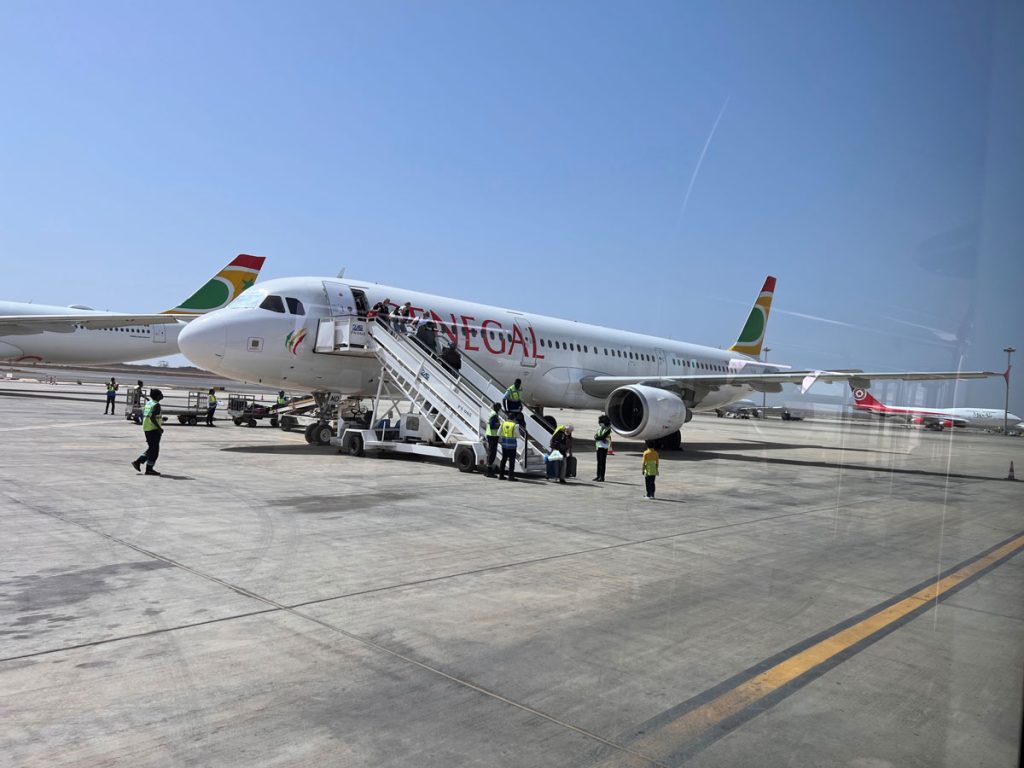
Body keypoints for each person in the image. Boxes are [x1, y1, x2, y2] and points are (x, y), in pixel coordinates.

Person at [131, 388, 165, 476]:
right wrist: (159, 428)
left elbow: (149, 415)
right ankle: (148, 468)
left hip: (147, 428)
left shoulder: (149, 403)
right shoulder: (156, 405)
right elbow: (152, 417)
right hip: (153, 430)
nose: (162, 395)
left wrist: (161, 419)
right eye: (161, 394)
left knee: (151, 448)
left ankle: (139, 462)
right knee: (154, 451)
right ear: (157, 396)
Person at [498, 416, 519, 481]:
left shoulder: (503, 424)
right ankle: (510, 476)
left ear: (507, 418)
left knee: (503, 460)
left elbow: (498, 433)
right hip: (512, 446)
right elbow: (517, 435)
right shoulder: (515, 425)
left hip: (504, 445)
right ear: (514, 418)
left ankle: (501, 475)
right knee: (511, 461)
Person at [484, 402, 501, 477]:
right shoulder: (494, 414)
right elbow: (492, 426)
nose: (500, 409)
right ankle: (489, 472)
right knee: (492, 453)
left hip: (490, 435)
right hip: (492, 435)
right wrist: (499, 425)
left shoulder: (492, 413)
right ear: (497, 408)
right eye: (499, 407)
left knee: (490, 452)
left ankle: (487, 471)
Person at [594, 414, 612, 481]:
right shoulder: (599, 428)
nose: (600, 424)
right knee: (598, 462)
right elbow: (596, 436)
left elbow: (602, 437)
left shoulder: (608, 429)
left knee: (602, 462)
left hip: (604, 447)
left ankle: (602, 477)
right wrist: (597, 437)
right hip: (598, 446)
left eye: (601, 422)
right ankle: (598, 475)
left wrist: (597, 438)